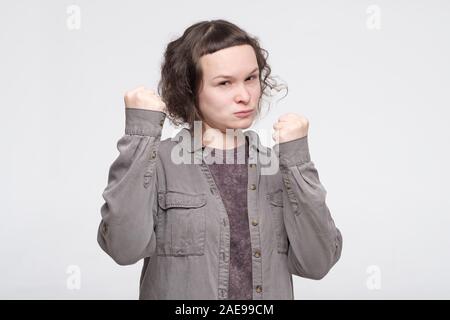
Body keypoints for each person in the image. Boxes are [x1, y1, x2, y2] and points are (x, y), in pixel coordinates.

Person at [97, 19, 343, 300]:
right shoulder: (159, 162)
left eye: (251, 78)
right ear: (189, 89)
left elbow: (318, 263)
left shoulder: (281, 166)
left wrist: (297, 161)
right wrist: (141, 134)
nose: (245, 96)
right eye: (225, 83)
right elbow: (123, 249)